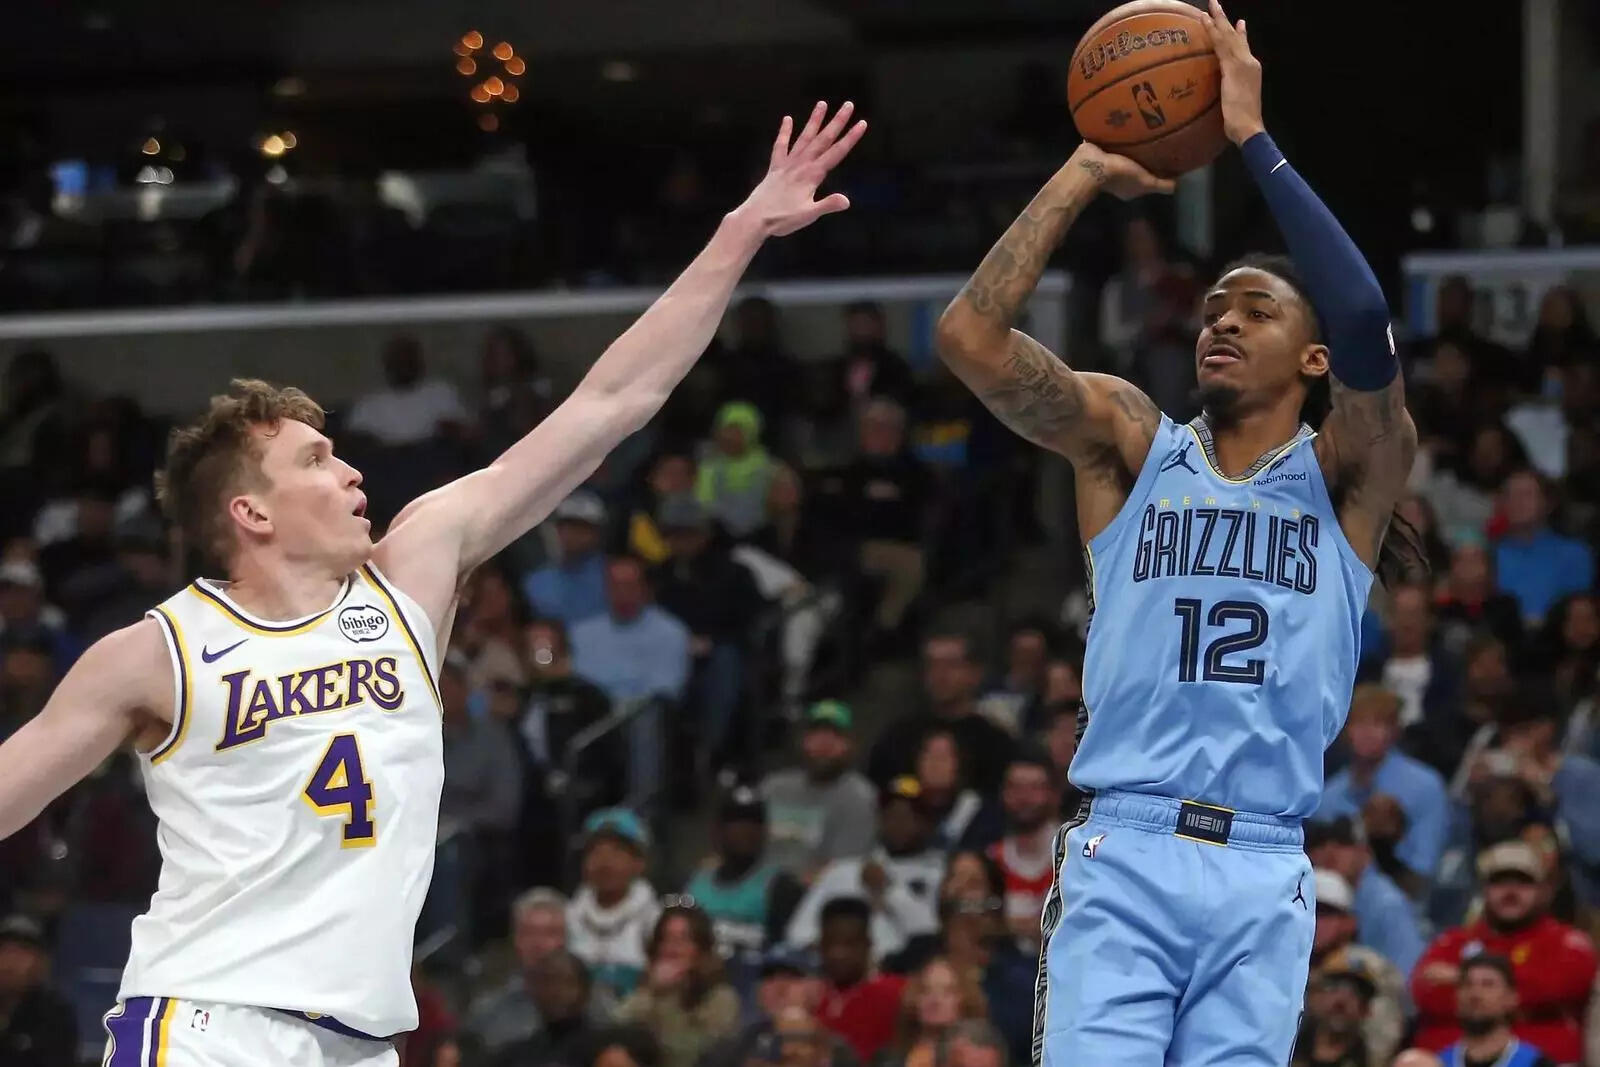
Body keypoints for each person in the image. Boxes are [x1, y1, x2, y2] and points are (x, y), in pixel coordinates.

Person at [0, 103, 866, 1067]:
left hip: (359, 1042)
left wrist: (742, 227)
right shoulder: (154, 654)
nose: (352, 471)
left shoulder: (413, 573)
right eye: (319, 459)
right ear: (251, 512)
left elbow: (614, 402)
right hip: (207, 1024)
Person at [933, 8, 1421, 1062]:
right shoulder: (1131, 444)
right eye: (1210, 308)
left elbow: (1366, 311)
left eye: (1253, 309)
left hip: (1263, 863)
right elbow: (970, 339)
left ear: (1314, 359)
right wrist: (1080, 173)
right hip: (1129, 844)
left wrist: (1251, 137)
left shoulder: (1349, 476)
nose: (1221, 321)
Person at [1411, 841, 1597, 1062]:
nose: (1510, 892)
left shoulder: (1567, 941)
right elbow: (1424, 991)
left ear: (1543, 891)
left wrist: (1460, 978)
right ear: (1484, 890)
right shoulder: (1453, 941)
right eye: (1500, 883)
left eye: (1523, 883)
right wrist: (1515, 994)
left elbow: (1558, 987)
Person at [785, 777, 945, 962]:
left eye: (907, 816)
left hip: (901, 973)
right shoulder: (842, 871)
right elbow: (797, 934)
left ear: (927, 823)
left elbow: (930, 935)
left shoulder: (940, 876)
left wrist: (890, 892)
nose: (897, 824)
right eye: (890, 815)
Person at [1318, 685, 1450, 894]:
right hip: (1335, 904)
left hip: (1409, 904)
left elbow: (1425, 875)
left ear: (1395, 731)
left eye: (1378, 724)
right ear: (1344, 730)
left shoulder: (1426, 786)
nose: (1367, 733)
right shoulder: (1327, 796)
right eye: (1359, 723)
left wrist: (1385, 845)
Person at [867, 634, 1016, 795]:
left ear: (975, 674)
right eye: (932, 665)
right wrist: (916, 790)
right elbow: (881, 785)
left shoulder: (995, 742)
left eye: (952, 665)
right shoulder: (898, 736)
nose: (940, 674)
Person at [683, 787, 804, 981]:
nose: (745, 831)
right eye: (736, 822)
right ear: (718, 830)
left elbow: (787, 960)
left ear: (764, 831)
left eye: (753, 823)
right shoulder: (693, 884)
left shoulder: (782, 887)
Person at [761, 701, 879, 883]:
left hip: (816, 896)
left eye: (835, 736)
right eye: (816, 735)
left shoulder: (860, 797)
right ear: (803, 741)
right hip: (755, 891)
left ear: (851, 745)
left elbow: (843, 870)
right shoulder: (773, 787)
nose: (824, 744)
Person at [616, 905, 741, 1067]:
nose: (672, 948)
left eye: (683, 939)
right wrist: (651, 992)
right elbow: (615, 1032)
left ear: (701, 950)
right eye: (666, 938)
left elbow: (690, 1057)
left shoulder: (721, 997)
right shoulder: (649, 990)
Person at [1305, 816, 1425, 979]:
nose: (1330, 852)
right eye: (1322, 845)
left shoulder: (1386, 903)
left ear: (1364, 852)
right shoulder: (1318, 893)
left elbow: (1409, 974)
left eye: (1342, 845)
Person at [568, 808, 664, 1002]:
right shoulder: (568, 915)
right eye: (595, 852)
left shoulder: (657, 922)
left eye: (617, 852)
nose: (605, 863)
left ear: (639, 863)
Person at [1492, 469, 1594, 628]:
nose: (1516, 502)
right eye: (1509, 495)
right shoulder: (1489, 554)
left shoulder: (1575, 554)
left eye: (1526, 495)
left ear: (1548, 503)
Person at [812, 897, 906, 1065]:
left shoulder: (895, 992)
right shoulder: (809, 996)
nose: (837, 954)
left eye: (849, 944)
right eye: (829, 944)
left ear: (868, 945)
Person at [487, 950, 610, 1067]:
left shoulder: (605, 1051)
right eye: (548, 982)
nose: (556, 991)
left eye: (566, 982)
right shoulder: (513, 1056)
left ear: (585, 992)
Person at [1436, 955, 1558, 1067]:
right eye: (1467, 984)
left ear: (1511, 998)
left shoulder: (1537, 1064)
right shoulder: (1438, 1063)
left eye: (1488, 985)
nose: (1475, 994)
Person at [524, 490, 612, 627]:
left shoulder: (615, 577)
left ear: (597, 533)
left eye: (581, 527)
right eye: (566, 526)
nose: (572, 534)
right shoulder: (536, 581)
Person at [880, 956, 988, 1067]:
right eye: (926, 990)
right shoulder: (889, 1060)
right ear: (914, 999)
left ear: (965, 1000)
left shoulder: (983, 1058)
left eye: (947, 992)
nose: (936, 1000)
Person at [0, 913, 77, 1067]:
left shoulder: (55, 1015)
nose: (11, 962)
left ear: (41, 963)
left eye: (22, 953)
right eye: (5, 950)